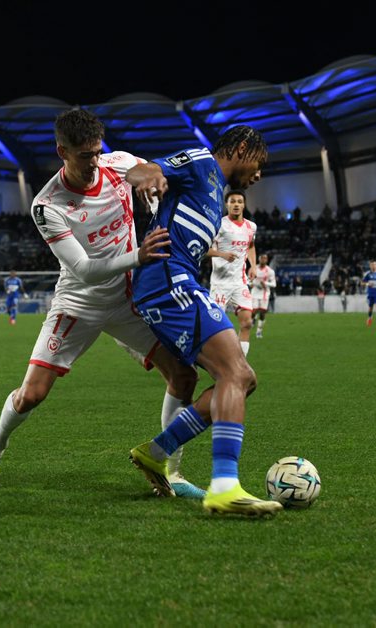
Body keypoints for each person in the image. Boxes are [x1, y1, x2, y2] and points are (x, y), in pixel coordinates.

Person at [0, 109, 206, 499]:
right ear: (62, 151)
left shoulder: (118, 164)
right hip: (79, 303)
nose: (94, 162)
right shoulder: (48, 205)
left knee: (184, 376)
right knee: (32, 394)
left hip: (129, 300)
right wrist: (139, 255)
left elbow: (151, 172)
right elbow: (83, 269)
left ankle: (172, 472)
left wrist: (153, 183)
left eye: (97, 152)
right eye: (85, 155)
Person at [126, 125, 283, 516]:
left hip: (173, 285)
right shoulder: (201, 161)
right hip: (167, 283)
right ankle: (225, 487)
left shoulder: (216, 198)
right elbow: (141, 171)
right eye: (259, 164)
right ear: (242, 148)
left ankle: (155, 452)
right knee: (236, 373)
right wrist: (150, 175)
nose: (259, 174)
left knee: (243, 380)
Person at [206, 189, 256, 356]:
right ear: (226, 204)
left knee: (247, 323)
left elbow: (251, 245)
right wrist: (222, 254)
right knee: (215, 328)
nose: (236, 205)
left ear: (244, 205)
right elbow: (203, 250)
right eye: (232, 201)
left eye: (239, 202)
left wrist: (253, 266)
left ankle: (241, 363)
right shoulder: (218, 225)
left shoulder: (251, 227)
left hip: (240, 282)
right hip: (220, 284)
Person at [251, 254, 276, 339]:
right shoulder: (253, 268)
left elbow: (274, 284)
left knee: (262, 312)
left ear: (267, 260)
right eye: (262, 258)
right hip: (254, 292)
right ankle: (253, 319)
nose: (263, 260)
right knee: (254, 311)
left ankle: (259, 331)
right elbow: (248, 279)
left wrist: (265, 283)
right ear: (259, 259)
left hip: (264, 293)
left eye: (265, 258)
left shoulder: (270, 271)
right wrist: (251, 283)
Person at [361, 260, 376, 330]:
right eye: (372, 265)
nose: (373, 266)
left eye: (374, 264)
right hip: (371, 293)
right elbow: (362, 283)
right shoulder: (367, 274)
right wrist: (367, 284)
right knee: (370, 308)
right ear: (370, 266)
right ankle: (370, 317)